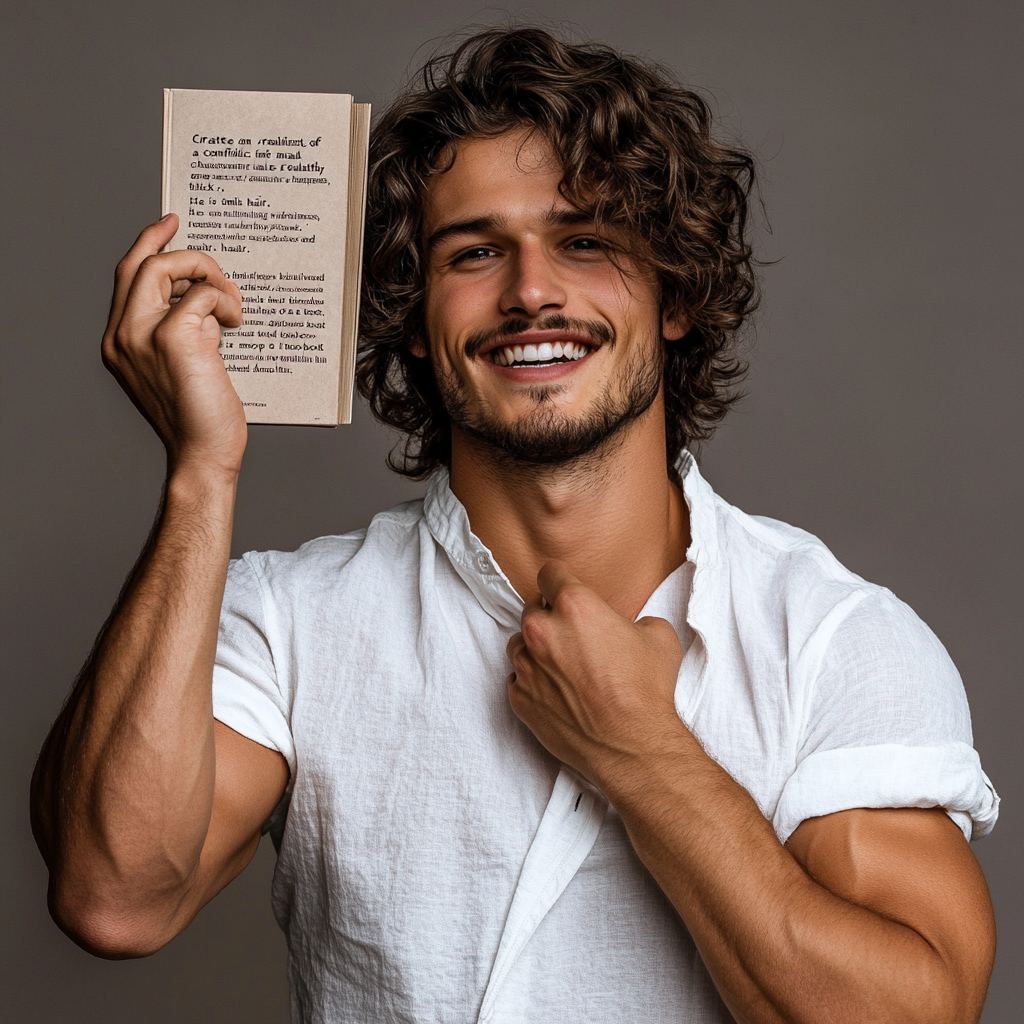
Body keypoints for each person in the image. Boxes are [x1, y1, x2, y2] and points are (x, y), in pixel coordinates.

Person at [31, 27, 999, 1024]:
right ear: (414, 314)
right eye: (475, 251)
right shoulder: (288, 620)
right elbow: (115, 898)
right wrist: (201, 473)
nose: (531, 289)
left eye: (584, 241)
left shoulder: (835, 639)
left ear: (673, 293)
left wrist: (642, 753)